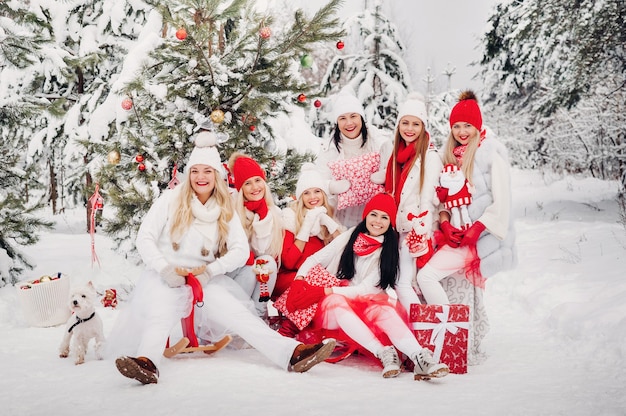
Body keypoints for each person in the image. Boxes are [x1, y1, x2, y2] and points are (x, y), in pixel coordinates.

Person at [106, 132, 336, 384]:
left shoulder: (224, 206)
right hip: (168, 275)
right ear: (188, 173)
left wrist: (211, 271)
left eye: (207, 171)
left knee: (239, 316)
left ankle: (292, 354)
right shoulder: (170, 199)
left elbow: (239, 250)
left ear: (216, 175)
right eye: (195, 171)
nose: (201, 177)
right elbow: (145, 238)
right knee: (160, 313)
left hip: (203, 278)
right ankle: (146, 362)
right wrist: (164, 269)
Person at [284, 193, 449, 380]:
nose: (377, 221)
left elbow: (364, 290)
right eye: (374, 214)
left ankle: (420, 357)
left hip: (363, 301)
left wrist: (325, 290)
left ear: (391, 222)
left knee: (386, 311)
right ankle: (383, 352)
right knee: (336, 300)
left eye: (384, 217)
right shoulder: (350, 235)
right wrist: (299, 279)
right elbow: (315, 259)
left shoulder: (389, 250)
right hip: (334, 311)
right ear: (366, 215)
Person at [415, 90, 516, 358]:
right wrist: (445, 224)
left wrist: (477, 229)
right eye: (456, 126)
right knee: (423, 277)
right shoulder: (452, 156)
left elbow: (502, 201)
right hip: (457, 236)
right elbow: (445, 201)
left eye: (467, 126)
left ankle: (452, 337)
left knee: (426, 276)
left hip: (479, 239)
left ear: (478, 126)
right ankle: (453, 337)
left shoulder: (491, 154)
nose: (461, 131)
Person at [382, 94, 443, 310]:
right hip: (400, 227)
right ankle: (419, 329)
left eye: (415, 124)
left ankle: (428, 327)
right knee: (404, 283)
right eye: (405, 123)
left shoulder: (430, 156)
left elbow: (428, 198)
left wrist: (421, 232)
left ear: (423, 127)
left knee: (404, 282)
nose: (409, 128)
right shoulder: (397, 155)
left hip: (415, 229)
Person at [274, 164, 344, 336]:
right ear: (300, 197)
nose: (313, 197)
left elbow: (344, 249)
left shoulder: (327, 218)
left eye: (317, 191)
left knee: (335, 287)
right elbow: (289, 262)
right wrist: (307, 224)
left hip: (317, 279)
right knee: (316, 285)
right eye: (306, 193)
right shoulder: (290, 217)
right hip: (290, 277)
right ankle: (288, 331)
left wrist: (327, 221)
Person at [315, 92, 391, 228]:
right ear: (337, 122)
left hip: (377, 218)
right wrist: (331, 187)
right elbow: (319, 183)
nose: (349, 123)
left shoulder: (380, 142)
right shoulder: (329, 149)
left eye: (353, 116)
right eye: (342, 118)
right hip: (341, 217)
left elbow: (396, 173)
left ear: (361, 117)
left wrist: (386, 175)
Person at [227, 152, 284, 318]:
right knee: (252, 268)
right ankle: (239, 317)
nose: (255, 187)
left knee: (267, 264)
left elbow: (263, 250)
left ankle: (258, 317)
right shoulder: (233, 211)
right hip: (237, 271)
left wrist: (263, 217)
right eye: (247, 183)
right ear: (240, 188)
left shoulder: (272, 212)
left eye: (258, 180)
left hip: (256, 266)